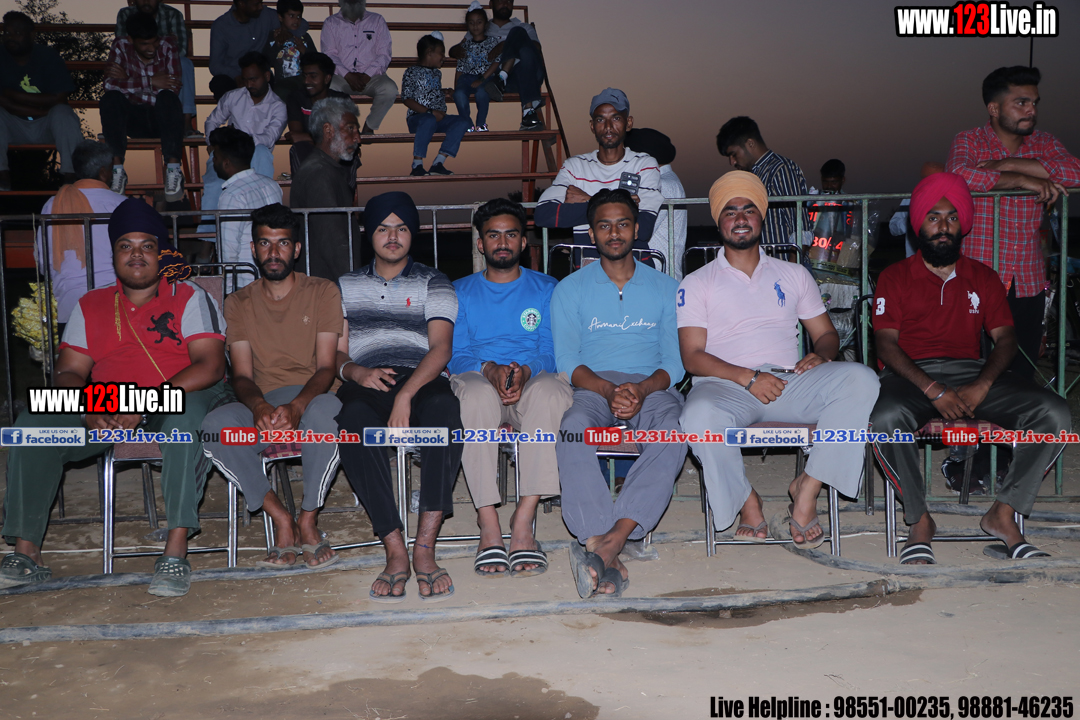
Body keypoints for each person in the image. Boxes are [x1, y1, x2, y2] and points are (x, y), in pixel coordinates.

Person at [0, 198, 229, 596]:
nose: (136, 254)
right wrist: (90, 406)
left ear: (160, 253)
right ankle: (26, 551)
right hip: (108, 400)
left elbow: (210, 366)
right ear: (114, 255)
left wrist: (144, 404)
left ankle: (175, 549)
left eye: (146, 246)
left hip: (177, 393)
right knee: (33, 421)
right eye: (126, 246)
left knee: (184, 422)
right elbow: (69, 372)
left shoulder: (188, 296)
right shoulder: (91, 304)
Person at [869, 172, 1071, 564]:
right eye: (933, 218)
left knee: (1054, 412)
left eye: (952, 218)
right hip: (911, 376)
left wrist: (983, 384)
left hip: (971, 372)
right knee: (885, 417)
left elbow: (1006, 338)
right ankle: (919, 520)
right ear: (919, 225)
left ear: (963, 224)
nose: (943, 227)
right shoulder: (895, 276)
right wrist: (933, 390)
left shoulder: (983, 276)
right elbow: (886, 345)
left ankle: (1003, 514)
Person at [678, 171, 880, 547]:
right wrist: (749, 378)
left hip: (789, 383)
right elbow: (692, 357)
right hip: (726, 386)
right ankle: (746, 501)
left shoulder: (793, 274)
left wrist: (822, 355)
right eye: (730, 211)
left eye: (749, 209)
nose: (740, 218)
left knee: (862, 379)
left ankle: (807, 489)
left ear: (762, 217)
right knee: (698, 415)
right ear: (719, 221)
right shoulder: (697, 282)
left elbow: (826, 334)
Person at [551, 189, 685, 598]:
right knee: (572, 427)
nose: (614, 233)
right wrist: (608, 389)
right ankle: (599, 540)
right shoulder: (570, 289)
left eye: (622, 224)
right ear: (592, 233)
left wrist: (642, 389)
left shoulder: (667, 288)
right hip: (594, 386)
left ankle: (613, 539)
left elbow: (676, 362)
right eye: (604, 225)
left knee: (673, 430)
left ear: (637, 229)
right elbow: (567, 361)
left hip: (652, 386)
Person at [334, 191, 463, 602]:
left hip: (421, 378)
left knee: (445, 410)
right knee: (352, 421)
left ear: (413, 234)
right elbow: (335, 352)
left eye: (402, 228)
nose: (392, 236)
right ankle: (394, 547)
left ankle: (424, 547)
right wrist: (356, 371)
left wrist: (407, 394)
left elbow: (441, 348)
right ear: (368, 234)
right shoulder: (346, 286)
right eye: (383, 228)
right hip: (368, 378)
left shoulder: (434, 281)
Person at [203, 203, 344, 569]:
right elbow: (242, 376)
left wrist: (297, 406)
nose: (274, 252)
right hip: (263, 403)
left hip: (312, 398)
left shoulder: (323, 291)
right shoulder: (238, 302)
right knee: (215, 427)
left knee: (330, 416)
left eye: (283, 243)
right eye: (265, 243)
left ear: (296, 249)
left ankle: (308, 518)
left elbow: (327, 367)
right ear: (254, 249)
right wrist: (259, 407)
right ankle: (281, 518)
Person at [449, 198, 571, 577]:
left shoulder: (547, 288)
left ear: (523, 242)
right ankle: (488, 520)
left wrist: (526, 371)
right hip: (480, 379)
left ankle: (523, 518)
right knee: (474, 395)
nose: (502, 243)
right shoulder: (459, 291)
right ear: (480, 243)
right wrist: (489, 369)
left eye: (511, 235)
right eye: (493, 235)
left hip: (531, 382)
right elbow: (456, 353)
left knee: (552, 392)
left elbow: (552, 350)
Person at [946, 66, 1080, 380]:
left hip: (1028, 275)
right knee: (975, 364)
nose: (1031, 110)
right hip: (978, 272)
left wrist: (1008, 164)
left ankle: (1019, 410)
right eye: (1021, 102)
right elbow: (959, 176)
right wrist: (1022, 179)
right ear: (994, 109)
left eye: (1034, 102)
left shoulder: (1044, 143)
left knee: (1023, 363)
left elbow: (1075, 172)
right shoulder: (971, 139)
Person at [536, 89, 663, 255]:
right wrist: (624, 207)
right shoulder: (575, 166)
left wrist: (589, 201)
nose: (608, 127)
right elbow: (544, 215)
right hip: (587, 266)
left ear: (629, 123)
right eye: (600, 119)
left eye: (616, 118)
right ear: (592, 126)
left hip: (634, 266)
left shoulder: (644, 164)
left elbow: (643, 229)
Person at [35, 141, 124, 327]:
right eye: (111, 169)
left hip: (70, 304)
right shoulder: (121, 204)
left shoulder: (53, 204)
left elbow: (43, 262)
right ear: (103, 172)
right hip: (115, 301)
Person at [101, 12, 185, 200]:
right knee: (111, 99)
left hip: (160, 118)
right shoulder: (120, 45)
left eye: (154, 42)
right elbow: (109, 85)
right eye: (144, 44)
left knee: (168, 98)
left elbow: (172, 88)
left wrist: (128, 81)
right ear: (131, 40)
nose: (151, 48)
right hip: (132, 118)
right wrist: (151, 81)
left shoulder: (168, 46)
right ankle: (117, 170)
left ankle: (173, 169)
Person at [200, 51, 285, 233]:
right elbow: (212, 121)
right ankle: (208, 238)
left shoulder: (278, 106)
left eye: (254, 79)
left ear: (267, 76)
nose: (249, 84)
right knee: (214, 186)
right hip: (228, 153)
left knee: (262, 151)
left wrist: (238, 140)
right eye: (245, 80)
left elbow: (270, 137)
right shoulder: (233, 96)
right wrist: (212, 144)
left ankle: (263, 226)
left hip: (255, 156)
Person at [0, 11, 83, 191]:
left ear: (31, 35)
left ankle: (72, 176)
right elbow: (4, 104)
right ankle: (1, 174)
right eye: (6, 32)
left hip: (47, 124)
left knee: (64, 114)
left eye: (17, 33)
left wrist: (13, 95)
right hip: (13, 124)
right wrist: (42, 107)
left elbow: (59, 99)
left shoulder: (48, 56)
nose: (10, 37)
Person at [289, 96, 361, 281]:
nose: (357, 138)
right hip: (326, 285)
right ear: (328, 130)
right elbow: (332, 240)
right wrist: (353, 285)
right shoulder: (320, 173)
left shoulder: (324, 168)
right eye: (350, 128)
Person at [716, 116, 811, 257]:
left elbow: (800, 229)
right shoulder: (753, 176)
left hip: (782, 264)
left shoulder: (780, 169)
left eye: (733, 154)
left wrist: (791, 268)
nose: (732, 162)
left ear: (750, 144)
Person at [450, 0, 545, 131]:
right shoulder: (482, 26)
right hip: (491, 79)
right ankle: (528, 112)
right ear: (491, 4)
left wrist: (506, 44)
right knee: (517, 34)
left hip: (524, 74)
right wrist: (453, 51)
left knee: (518, 32)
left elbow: (536, 49)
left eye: (509, 1)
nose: (505, 4)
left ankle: (503, 78)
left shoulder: (523, 26)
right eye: (500, 0)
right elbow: (459, 49)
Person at [210, 126, 283, 290]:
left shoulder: (232, 195)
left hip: (246, 286)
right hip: (273, 280)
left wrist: (229, 293)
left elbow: (228, 252)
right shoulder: (271, 185)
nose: (213, 161)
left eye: (215, 156)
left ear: (226, 163)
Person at [115, 0, 199, 137]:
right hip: (137, 64)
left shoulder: (173, 14)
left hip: (165, 65)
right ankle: (117, 126)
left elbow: (181, 50)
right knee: (116, 72)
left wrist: (155, 58)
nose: (146, 1)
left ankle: (186, 122)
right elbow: (123, 48)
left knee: (185, 63)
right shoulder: (125, 14)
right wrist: (166, 43)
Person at [320, 0, 397, 135]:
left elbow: (384, 54)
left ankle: (370, 125)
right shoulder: (331, 23)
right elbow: (329, 54)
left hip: (372, 77)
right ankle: (344, 129)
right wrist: (347, 75)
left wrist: (368, 74)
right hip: (341, 77)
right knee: (328, 88)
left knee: (390, 89)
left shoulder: (377, 20)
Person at [401, 33, 472, 176]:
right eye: (441, 53)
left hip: (438, 119)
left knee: (464, 122)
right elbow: (407, 99)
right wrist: (430, 113)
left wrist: (443, 92)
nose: (444, 57)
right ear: (429, 53)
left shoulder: (437, 74)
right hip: (419, 119)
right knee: (428, 120)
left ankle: (438, 162)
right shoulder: (411, 71)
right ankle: (417, 165)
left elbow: (429, 91)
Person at [209, 0, 308, 101]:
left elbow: (302, 24)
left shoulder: (265, 15)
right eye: (256, 4)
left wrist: (287, 32)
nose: (261, 7)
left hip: (261, 75)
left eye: (261, 3)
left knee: (269, 84)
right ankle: (230, 109)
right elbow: (215, 65)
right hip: (234, 75)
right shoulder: (221, 26)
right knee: (219, 83)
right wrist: (236, 76)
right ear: (242, 3)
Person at [284, 51, 357, 180]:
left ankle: (342, 191)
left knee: (346, 149)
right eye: (305, 76)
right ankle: (304, 191)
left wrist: (310, 137)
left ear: (327, 78)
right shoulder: (296, 98)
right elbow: (296, 136)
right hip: (310, 151)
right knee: (299, 148)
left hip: (337, 151)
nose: (307, 81)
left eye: (313, 76)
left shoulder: (342, 100)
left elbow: (348, 136)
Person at [625, 127, 686, 279]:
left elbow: (635, 230)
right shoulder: (666, 181)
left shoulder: (661, 185)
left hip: (658, 278)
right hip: (658, 277)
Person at [452, 2, 498, 132]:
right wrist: (456, 87)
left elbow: (496, 62)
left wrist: (482, 79)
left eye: (479, 22)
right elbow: (460, 68)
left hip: (486, 77)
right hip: (466, 78)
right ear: (467, 25)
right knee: (459, 94)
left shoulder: (492, 42)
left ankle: (481, 123)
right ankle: (467, 123)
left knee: (482, 93)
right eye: (471, 23)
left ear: (485, 24)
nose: (475, 26)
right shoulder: (465, 46)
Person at [889, 162, 945, 258]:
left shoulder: (952, 200)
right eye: (929, 179)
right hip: (916, 260)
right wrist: (911, 222)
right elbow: (893, 228)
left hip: (947, 259)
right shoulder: (911, 198)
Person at [263, 0, 316, 101]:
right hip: (282, 82)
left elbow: (316, 60)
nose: (296, 20)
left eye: (299, 16)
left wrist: (304, 51)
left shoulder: (304, 37)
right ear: (280, 17)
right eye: (291, 16)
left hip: (303, 80)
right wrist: (277, 45)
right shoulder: (273, 37)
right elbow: (266, 61)